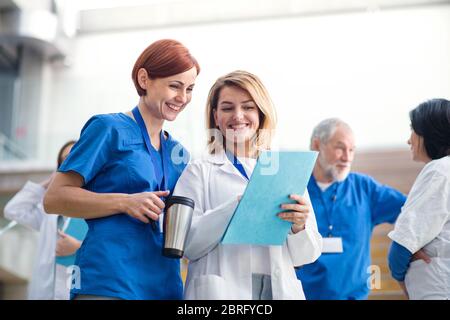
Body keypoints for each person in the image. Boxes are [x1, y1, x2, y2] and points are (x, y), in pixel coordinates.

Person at [43, 39, 200, 300]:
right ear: (144, 79)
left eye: (190, 89)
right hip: (110, 280)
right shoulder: (107, 128)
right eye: (174, 86)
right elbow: (55, 198)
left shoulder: (180, 154)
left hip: (165, 285)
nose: (182, 98)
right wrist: (125, 202)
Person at [173, 70, 322, 300]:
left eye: (248, 107)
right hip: (222, 292)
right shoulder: (198, 171)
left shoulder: (285, 170)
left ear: (261, 113)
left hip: (278, 290)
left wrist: (299, 227)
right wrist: (235, 207)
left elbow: (307, 255)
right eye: (227, 108)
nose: (238, 116)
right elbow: (187, 245)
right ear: (215, 116)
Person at [295, 118, 407, 300]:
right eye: (340, 148)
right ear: (317, 145)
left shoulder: (365, 188)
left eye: (352, 150)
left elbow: (414, 212)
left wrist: (413, 248)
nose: (347, 157)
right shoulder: (295, 189)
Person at [4, 140, 86, 300]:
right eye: (64, 159)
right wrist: (48, 183)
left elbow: (112, 245)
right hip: (44, 290)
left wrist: (77, 246)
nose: (69, 162)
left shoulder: (98, 201)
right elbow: (13, 210)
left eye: (74, 155)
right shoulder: (49, 209)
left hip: (75, 287)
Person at [388, 98, 450, 300]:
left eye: (413, 130)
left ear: (430, 133)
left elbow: (401, 246)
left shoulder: (439, 170)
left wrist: (399, 276)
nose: (409, 140)